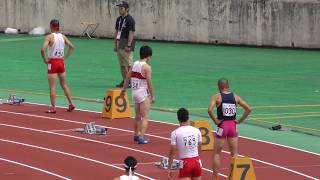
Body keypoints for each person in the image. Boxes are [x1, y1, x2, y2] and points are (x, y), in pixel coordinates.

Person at [207, 78, 252, 180]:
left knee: (217, 153)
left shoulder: (217, 97)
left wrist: (215, 121)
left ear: (219, 86)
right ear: (228, 86)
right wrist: (240, 121)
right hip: (232, 126)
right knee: (234, 154)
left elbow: (209, 110)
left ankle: (215, 178)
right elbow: (249, 109)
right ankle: (234, 177)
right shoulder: (235, 97)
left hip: (222, 126)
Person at [121, 45, 155, 144]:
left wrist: (123, 89)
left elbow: (127, 77)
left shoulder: (134, 63)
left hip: (134, 92)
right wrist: (152, 95)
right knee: (145, 116)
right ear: (148, 56)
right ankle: (141, 136)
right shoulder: (147, 67)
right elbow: (149, 82)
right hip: (143, 93)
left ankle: (136, 134)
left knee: (137, 116)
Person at [40, 19, 75, 113]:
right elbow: (72, 47)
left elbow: (42, 49)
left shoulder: (49, 37)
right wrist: (65, 58)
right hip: (61, 62)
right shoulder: (63, 36)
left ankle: (53, 107)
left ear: (51, 26)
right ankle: (71, 103)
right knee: (64, 84)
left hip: (53, 62)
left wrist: (45, 60)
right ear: (58, 26)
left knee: (52, 86)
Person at [168, 108, 202, 180]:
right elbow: (200, 148)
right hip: (196, 161)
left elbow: (172, 153)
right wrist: (198, 160)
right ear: (188, 117)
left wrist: (169, 168)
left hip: (185, 162)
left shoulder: (175, 133)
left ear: (178, 119)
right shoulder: (197, 130)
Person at [114, 1, 136, 88]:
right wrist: (115, 43)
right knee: (122, 64)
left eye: (121, 8)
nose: (120, 10)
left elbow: (131, 33)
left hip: (127, 42)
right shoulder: (119, 19)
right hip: (120, 41)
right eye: (119, 8)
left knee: (129, 64)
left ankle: (132, 81)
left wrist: (129, 45)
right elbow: (116, 31)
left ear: (127, 9)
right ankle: (125, 80)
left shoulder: (130, 19)